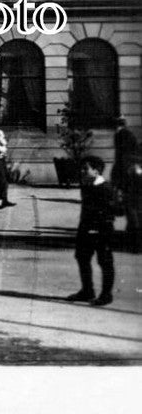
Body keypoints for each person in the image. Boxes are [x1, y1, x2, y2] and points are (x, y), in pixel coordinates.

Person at [66, 156, 115, 307]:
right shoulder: (86, 184)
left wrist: (96, 228)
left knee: (104, 261)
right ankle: (87, 291)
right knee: (82, 257)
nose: (82, 171)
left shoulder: (105, 188)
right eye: (81, 168)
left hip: (101, 229)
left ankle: (106, 295)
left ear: (96, 170)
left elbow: (108, 212)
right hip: (85, 227)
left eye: (85, 168)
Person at [110, 117, 141, 251]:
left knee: (130, 206)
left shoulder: (121, 135)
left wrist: (116, 177)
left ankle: (134, 236)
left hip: (127, 175)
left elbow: (121, 157)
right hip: (131, 174)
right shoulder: (129, 135)